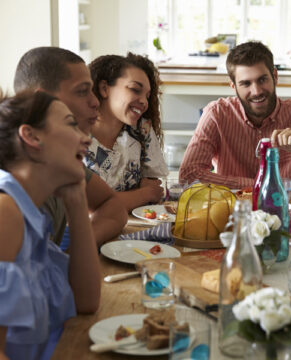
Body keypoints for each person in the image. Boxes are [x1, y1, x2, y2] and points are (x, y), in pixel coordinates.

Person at [0, 90, 101, 359]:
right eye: (70, 123)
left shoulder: (30, 216)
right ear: (32, 137)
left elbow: (87, 301)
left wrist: (77, 201)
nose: (86, 138)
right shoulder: (5, 212)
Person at [179, 41, 291, 194]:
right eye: (246, 84)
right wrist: (257, 185)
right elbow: (188, 176)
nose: (256, 91)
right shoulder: (216, 114)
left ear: (275, 76)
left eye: (262, 80)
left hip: (282, 213)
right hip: (229, 212)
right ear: (233, 86)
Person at [13, 47, 128, 247]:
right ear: (42, 100)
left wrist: (72, 256)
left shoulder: (61, 159)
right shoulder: (12, 192)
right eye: (82, 91)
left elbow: (113, 206)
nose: (95, 102)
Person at [84, 53, 168, 212]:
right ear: (104, 89)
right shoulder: (76, 135)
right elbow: (88, 207)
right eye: (135, 89)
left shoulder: (142, 131)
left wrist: (144, 194)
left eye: (148, 96)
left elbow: (155, 192)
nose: (144, 101)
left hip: (132, 227)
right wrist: (143, 194)